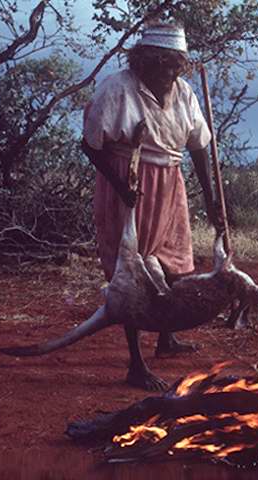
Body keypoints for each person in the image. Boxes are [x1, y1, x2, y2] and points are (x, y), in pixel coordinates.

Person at [81, 22, 221, 387]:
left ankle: (166, 338)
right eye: (163, 65)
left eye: (176, 66)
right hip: (129, 182)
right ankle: (136, 364)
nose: (169, 73)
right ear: (143, 61)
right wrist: (120, 187)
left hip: (171, 184)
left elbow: (198, 146)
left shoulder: (184, 93)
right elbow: (91, 145)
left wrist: (210, 198)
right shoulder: (116, 88)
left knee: (173, 264)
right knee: (132, 271)